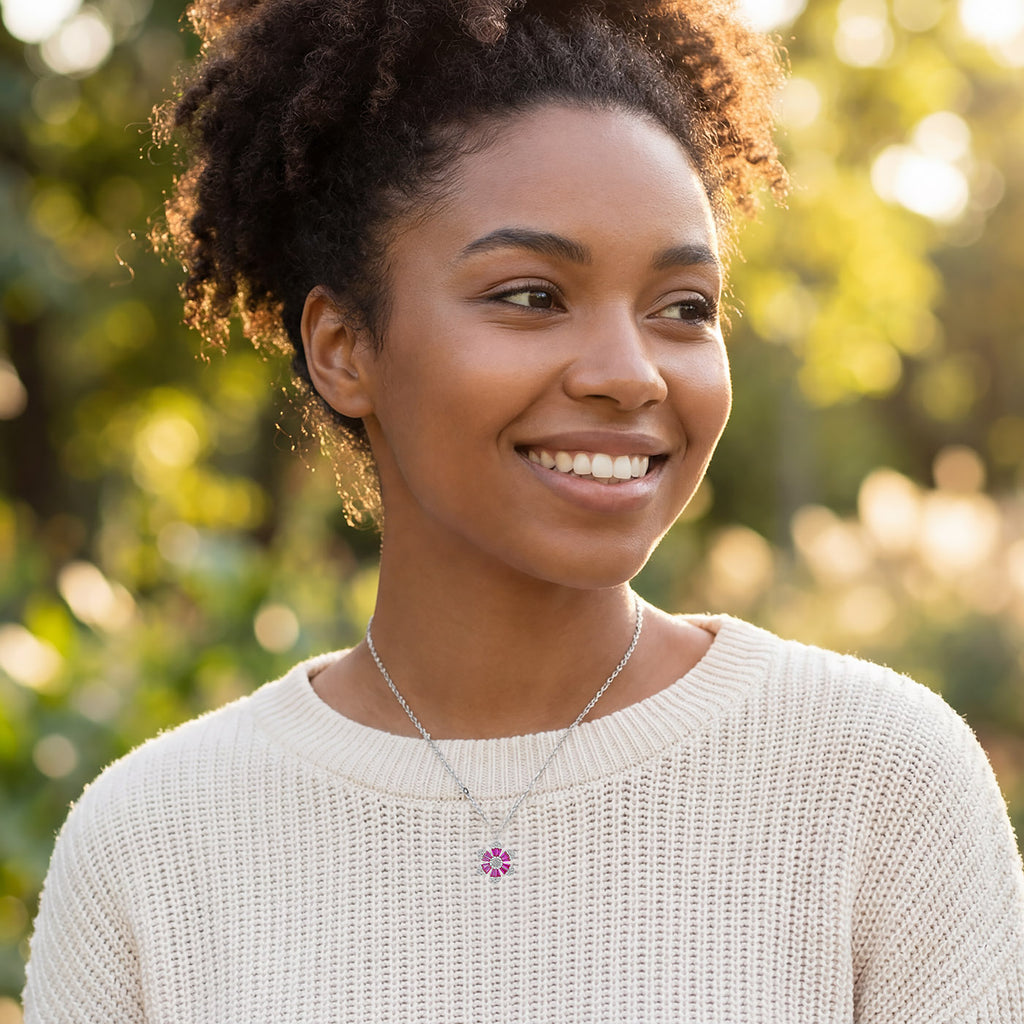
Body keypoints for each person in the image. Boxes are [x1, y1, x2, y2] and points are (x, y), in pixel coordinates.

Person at [22, 0, 1024, 1020]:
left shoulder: (876, 781)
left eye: (683, 308)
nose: (629, 374)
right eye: (532, 296)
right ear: (344, 349)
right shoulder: (150, 845)